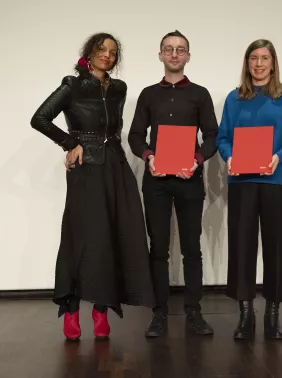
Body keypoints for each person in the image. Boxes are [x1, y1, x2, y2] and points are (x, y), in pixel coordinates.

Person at [30, 33, 155, 341]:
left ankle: (102, 309)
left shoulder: (119, 89)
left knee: (117, 232)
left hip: (116, 165)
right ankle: (71, 310)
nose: (107, 55)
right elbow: (40, 118)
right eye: (101, 50)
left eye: (113, 52)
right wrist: (70, 144)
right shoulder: (72, 85)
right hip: (86, 169)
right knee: (83, 237)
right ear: (89, 52)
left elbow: (113, 129)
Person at [216, 39, 282, 340]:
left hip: (277, 181)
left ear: (273, 62)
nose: (258, 64)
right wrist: (229, 157)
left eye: (264, 58)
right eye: (253, 58)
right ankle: (246, 314)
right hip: (242, 182)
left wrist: (278, 157)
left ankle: (273, 313)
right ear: (247, 63)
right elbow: (222, 138)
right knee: (242, 247)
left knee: (277, 247)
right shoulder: (234, 98)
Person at [128, 30, 218, 337]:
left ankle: (194, 312)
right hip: (156, 181)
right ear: (161, 55)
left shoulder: (200, 94)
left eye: (180, 50)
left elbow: (212, 136)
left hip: (189, 180)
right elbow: (135, 136)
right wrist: (149, 156)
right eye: (169, 49)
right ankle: (159, 313)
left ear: (188, 56)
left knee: (192, 249)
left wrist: (196, 159)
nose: (175, 54)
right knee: (159, 250)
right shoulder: (148, 94)